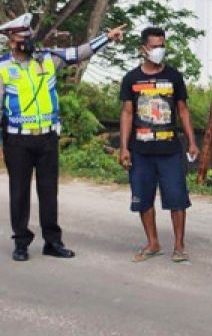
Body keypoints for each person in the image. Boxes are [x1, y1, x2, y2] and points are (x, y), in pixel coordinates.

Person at [0, 13, 125, 261]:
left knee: (49, 192)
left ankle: (52, 242)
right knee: (19, 193)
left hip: (47, 138)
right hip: (17, 140)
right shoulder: (3, 67)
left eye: (28, 35)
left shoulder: (48, 59)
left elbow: (79, 53)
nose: (27, 40)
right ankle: (21, 243)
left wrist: (106, 39)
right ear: (11, 40)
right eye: (21, 36)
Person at [119, 27, 198, 263]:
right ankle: (153, 243)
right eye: (154, 46)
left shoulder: (173, 76)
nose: (159, 50)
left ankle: (179, 246)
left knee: (177, 198)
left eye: (162, 45)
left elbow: (182, 110)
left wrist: (192, 141)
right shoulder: (132, 79)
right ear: (143, 49)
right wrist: (124, 147)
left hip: (170, 150)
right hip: (140, 151)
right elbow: (127, 113)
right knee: (143, 198)